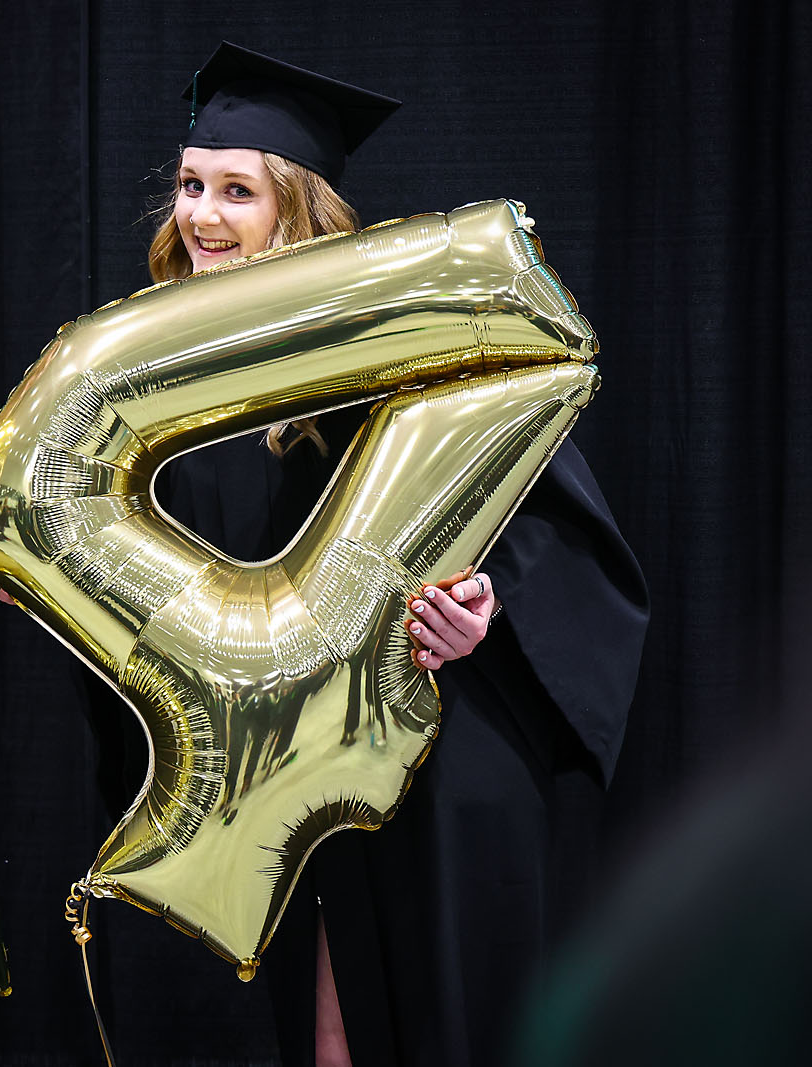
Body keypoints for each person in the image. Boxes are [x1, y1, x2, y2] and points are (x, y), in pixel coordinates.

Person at [137, 42, 649, 1067]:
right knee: (312, 1023)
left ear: (300, 209)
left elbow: (550, 528)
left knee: (432, 1013)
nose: (201, 214)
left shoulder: (406, 346)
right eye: (192, 185)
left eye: (237, 190)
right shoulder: (144, 381)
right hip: (266, 768)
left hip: (428, 748)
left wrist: (484, 605)